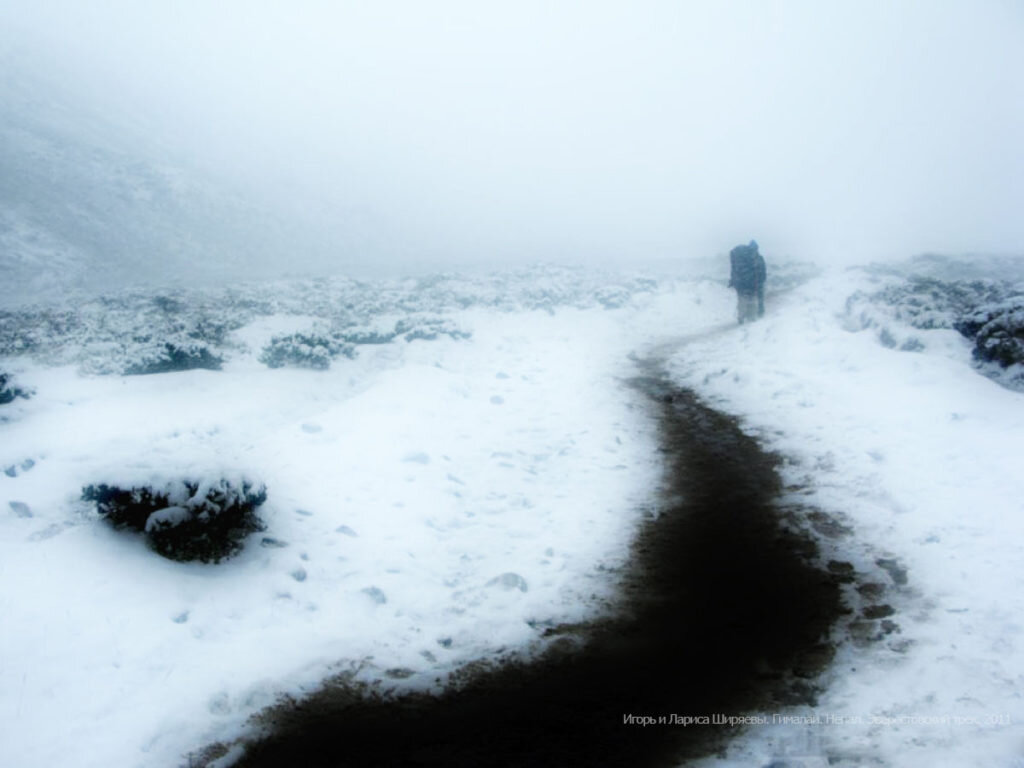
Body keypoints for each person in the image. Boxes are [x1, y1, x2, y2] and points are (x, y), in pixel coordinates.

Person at [728, 240, 766, 324]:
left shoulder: (741, 258)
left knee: (742, 299)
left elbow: (734, 269)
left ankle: (741, 317)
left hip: (740, 282)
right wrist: (761, 281)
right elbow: (762, 272)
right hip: (753, 282)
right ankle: (751, 318)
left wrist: (733, 280)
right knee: (752, 299)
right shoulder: (757, 258)